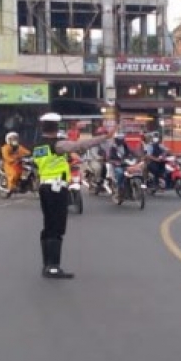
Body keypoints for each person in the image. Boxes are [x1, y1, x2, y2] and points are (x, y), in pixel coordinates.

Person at [32, 112, 113, 279]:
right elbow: (80, 145)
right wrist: (104, 137)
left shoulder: (38, 145)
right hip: (56, 188)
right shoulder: (57, 145)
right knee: (57, 227)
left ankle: (47, 265)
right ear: (56, 127)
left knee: (48, 227)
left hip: (44, 187)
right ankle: (53, 267)